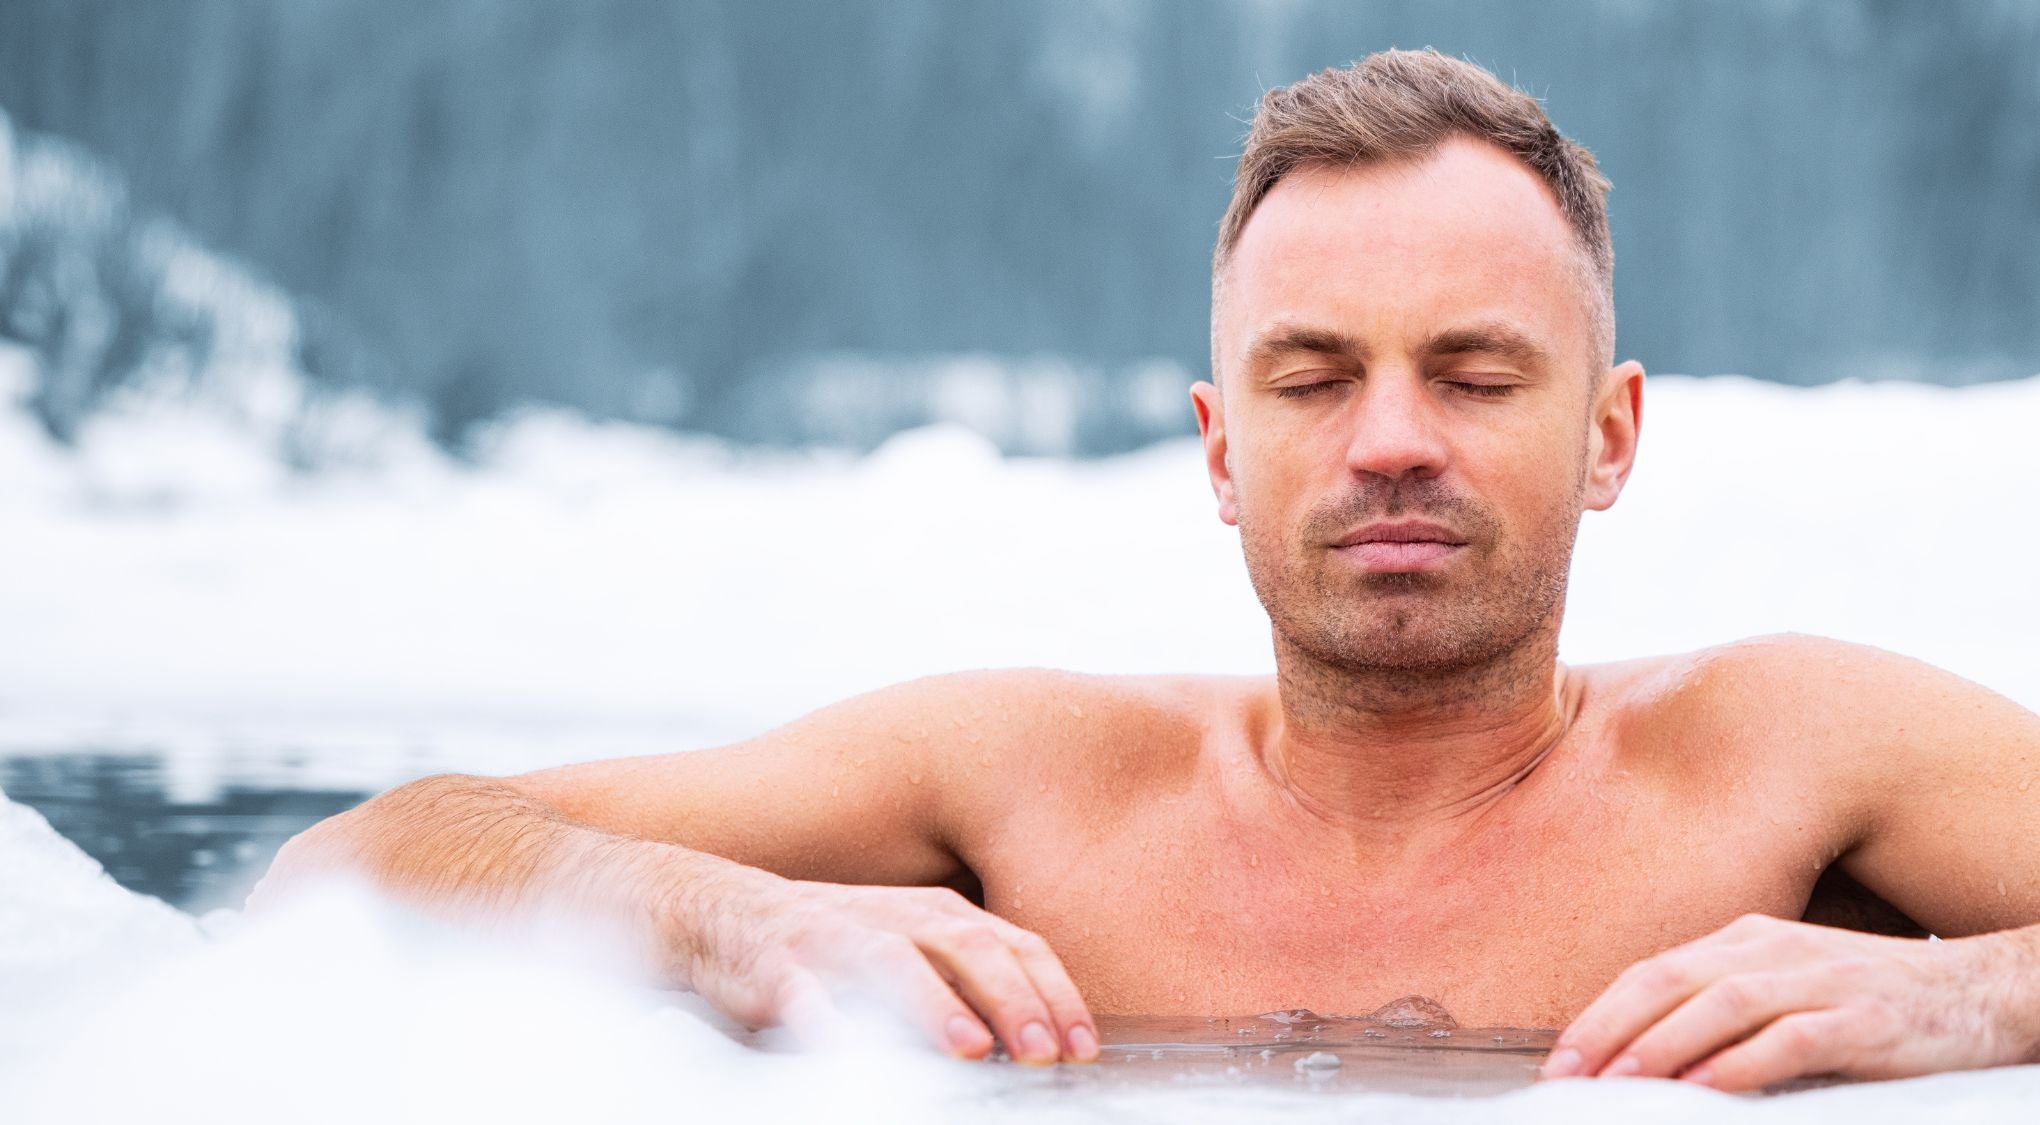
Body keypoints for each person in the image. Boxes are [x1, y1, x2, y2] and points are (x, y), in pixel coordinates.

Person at [252, 49, 2040, 1092]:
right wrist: (733, 910)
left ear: (1611, 432)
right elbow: (356, 862)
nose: (1393, 438)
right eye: (1313, 375)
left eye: (1478, 374)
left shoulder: (1793, 753)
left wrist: (1969, 992)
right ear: (1216, 445)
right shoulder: (1027, 780)